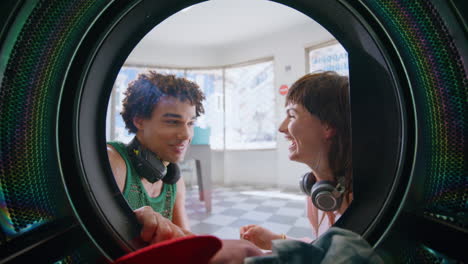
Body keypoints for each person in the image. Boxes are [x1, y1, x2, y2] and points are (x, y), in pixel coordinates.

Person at [240, 71, 353, 250]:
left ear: (328, 125)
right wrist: (276, 240)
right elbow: (321, 250)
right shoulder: (317, 195)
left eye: (292, 116)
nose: (281, 128)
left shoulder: (362, 204)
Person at [107, 71, 205, 230]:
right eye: (173, 122)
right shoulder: (114, 163)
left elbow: (184, 244)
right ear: (139, 121)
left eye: (190, 123)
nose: (186, 135)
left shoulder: (174, 182)